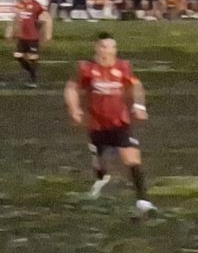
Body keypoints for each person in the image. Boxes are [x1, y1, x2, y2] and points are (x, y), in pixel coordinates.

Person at [64, 32, 156, 214]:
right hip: (97, 125)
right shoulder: (86, 68)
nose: (108, 51)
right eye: (104, 47)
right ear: (97, 48)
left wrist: (139, 106)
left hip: (120, 123)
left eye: (112, 47)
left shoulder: (123, 67)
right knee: (101, 165)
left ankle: (143, 200)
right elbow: (71, 87)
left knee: (132, 159)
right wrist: (74, 108)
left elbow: (136, 86)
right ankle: (101, 175)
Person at [5, 0, 52, 88]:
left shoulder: (36, 5)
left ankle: (33, 80)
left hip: (33, 37)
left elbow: (47, 18)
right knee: (18, 56)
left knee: (32, 57)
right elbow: (14, 19)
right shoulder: (19, 5)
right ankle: (31, 72)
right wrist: (10, 32)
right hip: (22, 37)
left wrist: (48, 33)